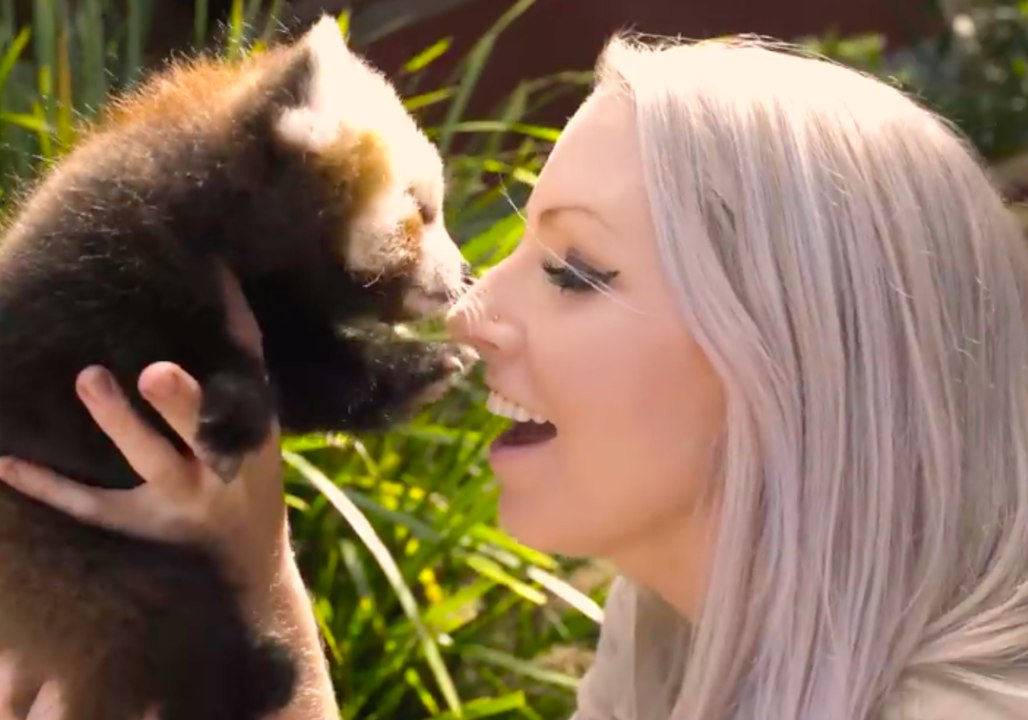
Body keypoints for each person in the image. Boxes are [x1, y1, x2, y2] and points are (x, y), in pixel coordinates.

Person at [2, 31, 1028, 720]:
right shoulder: (672, 635)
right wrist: (254, 580)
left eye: (577, 270)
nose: (474, 310)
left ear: (800, 350)